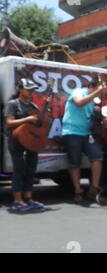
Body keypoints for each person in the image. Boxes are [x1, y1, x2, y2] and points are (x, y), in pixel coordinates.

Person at [4, 78, 48, 213]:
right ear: (20, 89)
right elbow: (9, 123)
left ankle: (28, 198)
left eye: (32, 90)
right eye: (28, 90)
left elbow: (38, 122)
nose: (31, 92)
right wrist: (27, 119)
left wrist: (45, 107)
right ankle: (17, 201)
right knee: (19, 169)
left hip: (31, 140)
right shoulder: (13, 104)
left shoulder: (33, 106)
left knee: (31, 169)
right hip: (16, 140)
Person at [62, 77, 106, 203]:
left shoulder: (94, 100)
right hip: (71, 132)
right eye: (100, 89)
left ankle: (94, 189)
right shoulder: (78, 92)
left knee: (97, 157)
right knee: (75, 162)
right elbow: (79, 102)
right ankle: (78, 191)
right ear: (93, 87)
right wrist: (97, 93)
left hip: (86, 134)